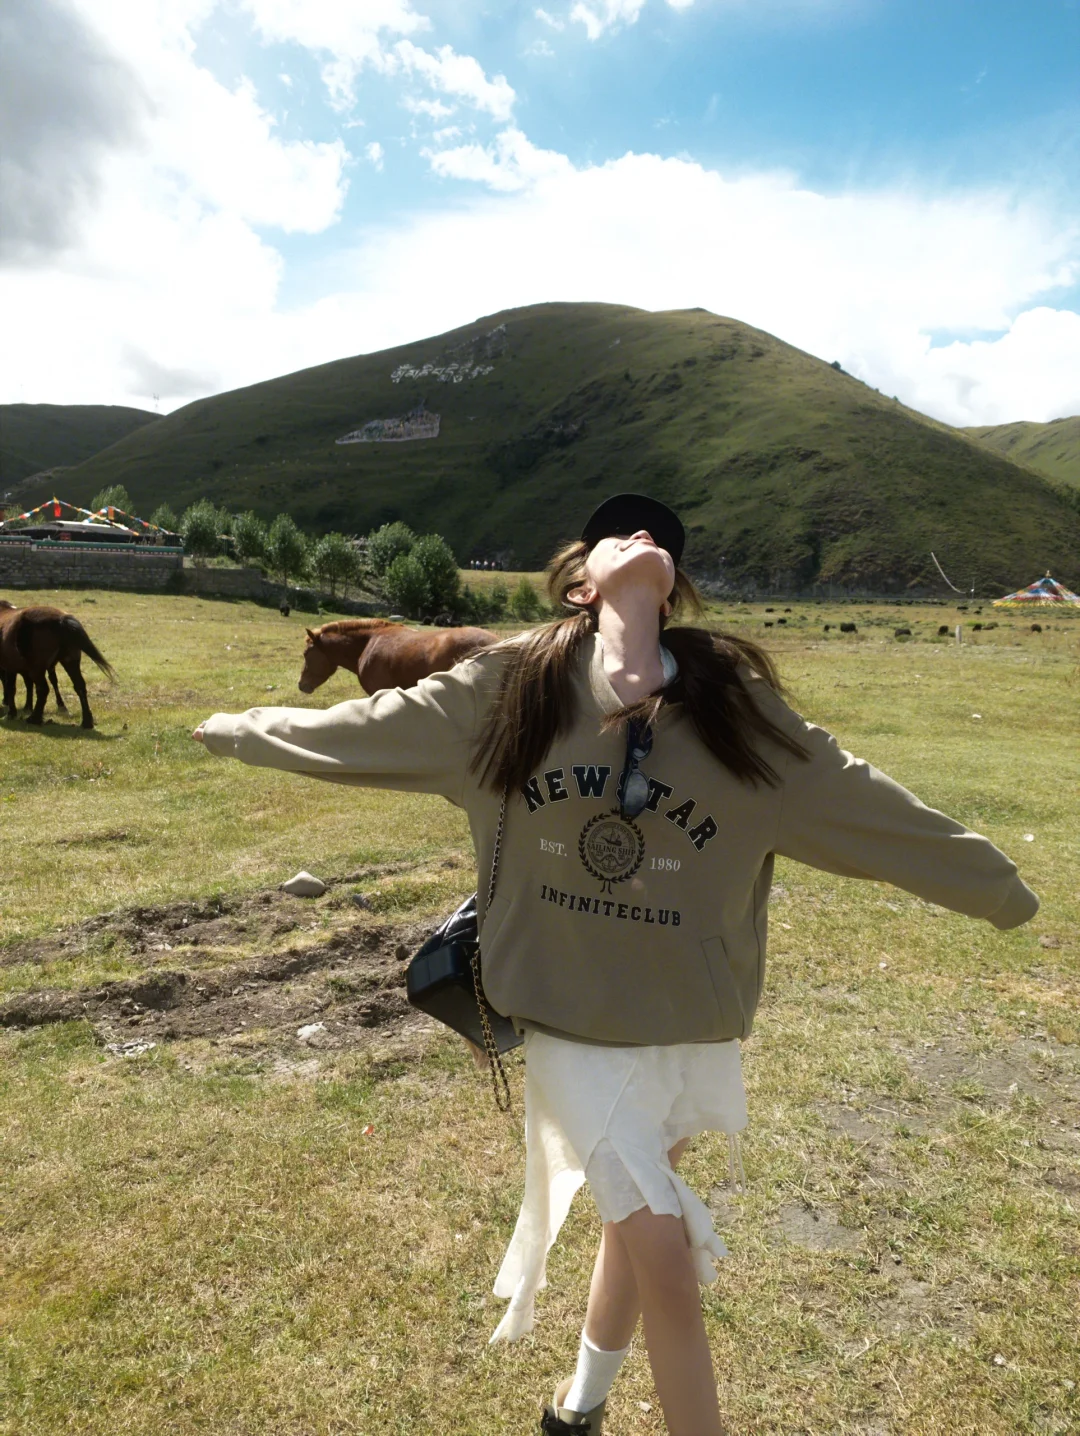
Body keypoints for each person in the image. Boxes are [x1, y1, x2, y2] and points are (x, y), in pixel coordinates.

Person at [193, 494, 1038, 1435]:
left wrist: (1000, 890)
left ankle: (579, 1405)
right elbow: (360, 731)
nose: (642, 540)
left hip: (681, 1022)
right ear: (577, 578)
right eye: (618, 535)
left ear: (674, 589)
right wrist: (234, 727)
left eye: (659, 544)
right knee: (667, 1263)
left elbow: (866, 807)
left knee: (633, 1226)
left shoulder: (737, 716)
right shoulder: (505, 690)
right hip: (570, 1021)